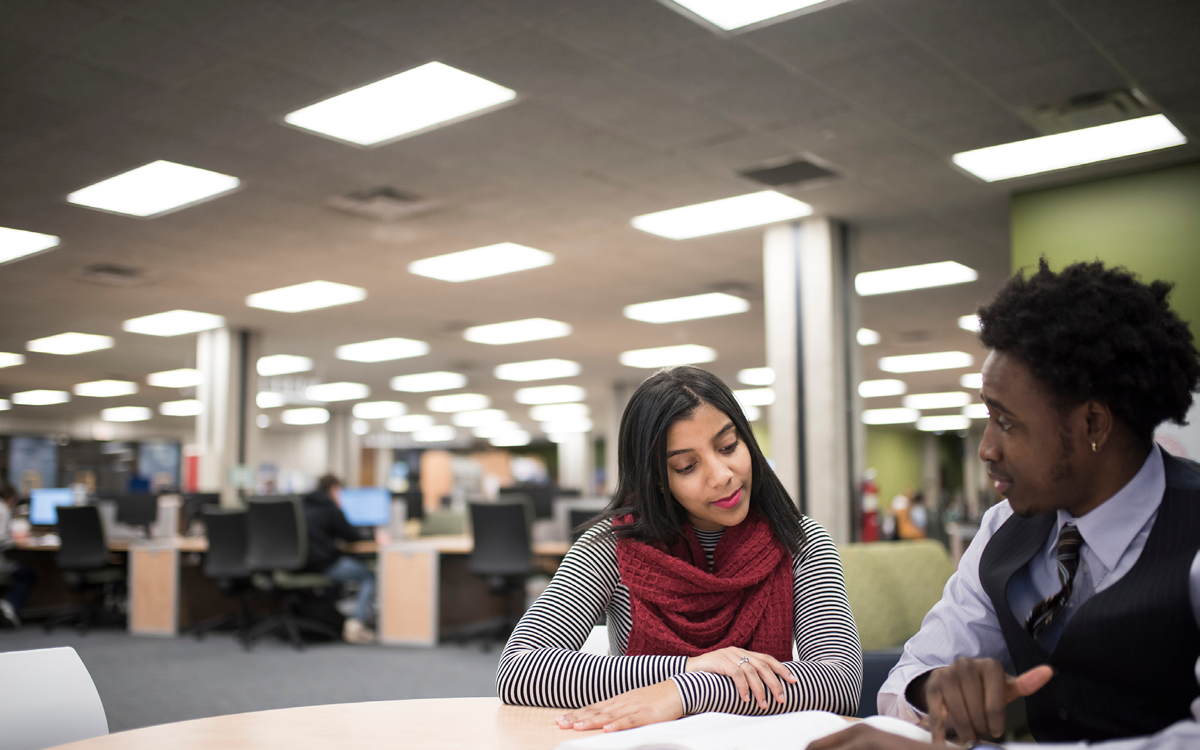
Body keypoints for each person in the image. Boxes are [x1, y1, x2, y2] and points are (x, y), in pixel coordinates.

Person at [812, 260, 1200, 750]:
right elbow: (905, 681)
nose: (986, 448)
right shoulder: (1005, 528)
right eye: (987, 417)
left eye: (1008, 422)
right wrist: (935, 691)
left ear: (1094, 424)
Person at [497, 366, 862, 732]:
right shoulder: (612, 548)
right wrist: (688, 667)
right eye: (687, 466)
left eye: (728, 446)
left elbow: (839, 683)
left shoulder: (801, 541)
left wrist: (683, 692)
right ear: (657, 480)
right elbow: (519, 669)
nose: (721, 475)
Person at [302, 474, 377, 644]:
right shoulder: (330, 509)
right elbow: (353, 536)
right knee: (368, 576)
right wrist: (375, 539)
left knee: (344, 570)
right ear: (334, 489)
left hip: (297, 565)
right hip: (323, 565)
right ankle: (356, 624)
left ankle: (336, 617)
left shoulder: (300, 505)